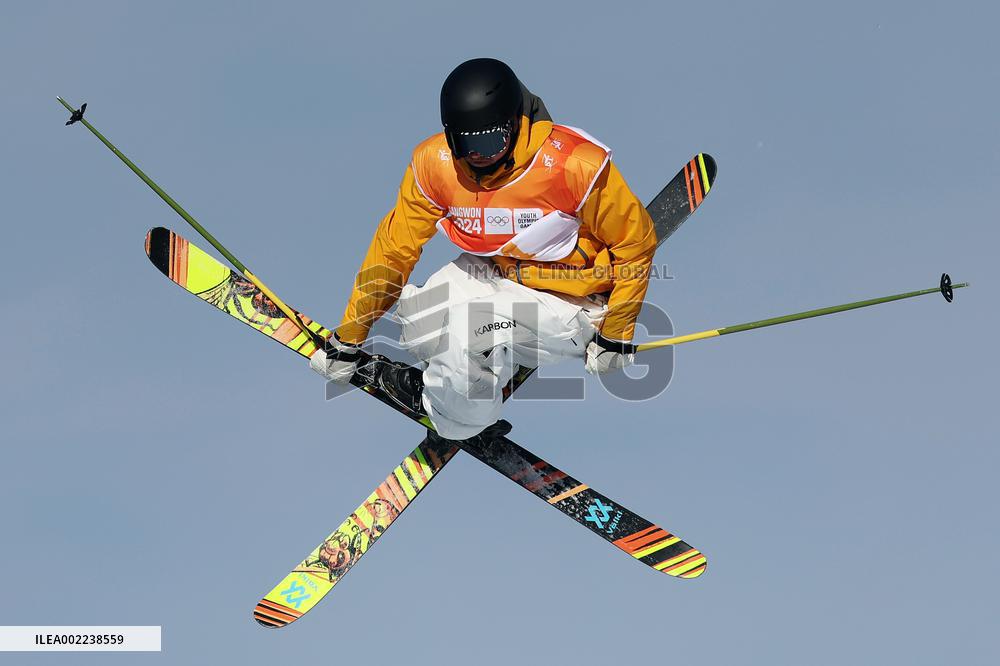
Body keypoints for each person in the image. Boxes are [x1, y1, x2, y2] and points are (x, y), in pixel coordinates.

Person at [310, 58, 657, 441]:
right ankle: (463, 380)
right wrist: (350, 336)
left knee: (468, 330)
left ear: (513, 124)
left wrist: (617, 333)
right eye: (466, 144)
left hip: (575, 302)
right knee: (418, 321)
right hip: (502, 273)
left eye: (491, 141)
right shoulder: (436, 166)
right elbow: (394, 250)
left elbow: (636, 245)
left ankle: (460, 419)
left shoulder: (572, 165)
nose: (479, 156)